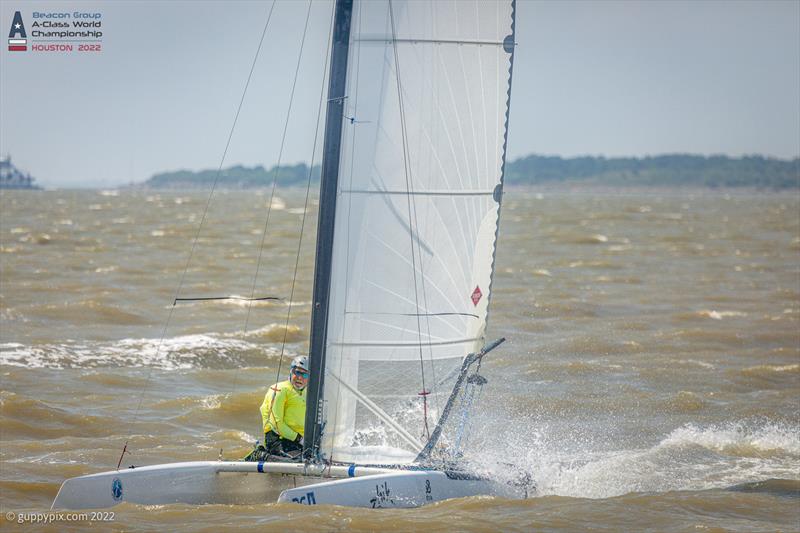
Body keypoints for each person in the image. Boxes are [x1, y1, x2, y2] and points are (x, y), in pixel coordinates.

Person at [258, 355, 308, 459]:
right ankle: (260, 455)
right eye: (298, 372)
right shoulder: (279, 390)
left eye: (305, 375)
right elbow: (276, 424)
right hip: (278, 440)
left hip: (298, 442)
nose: (300, 377)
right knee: (297, 462)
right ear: (291, 371)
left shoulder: (306, 393)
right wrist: (300, 439)